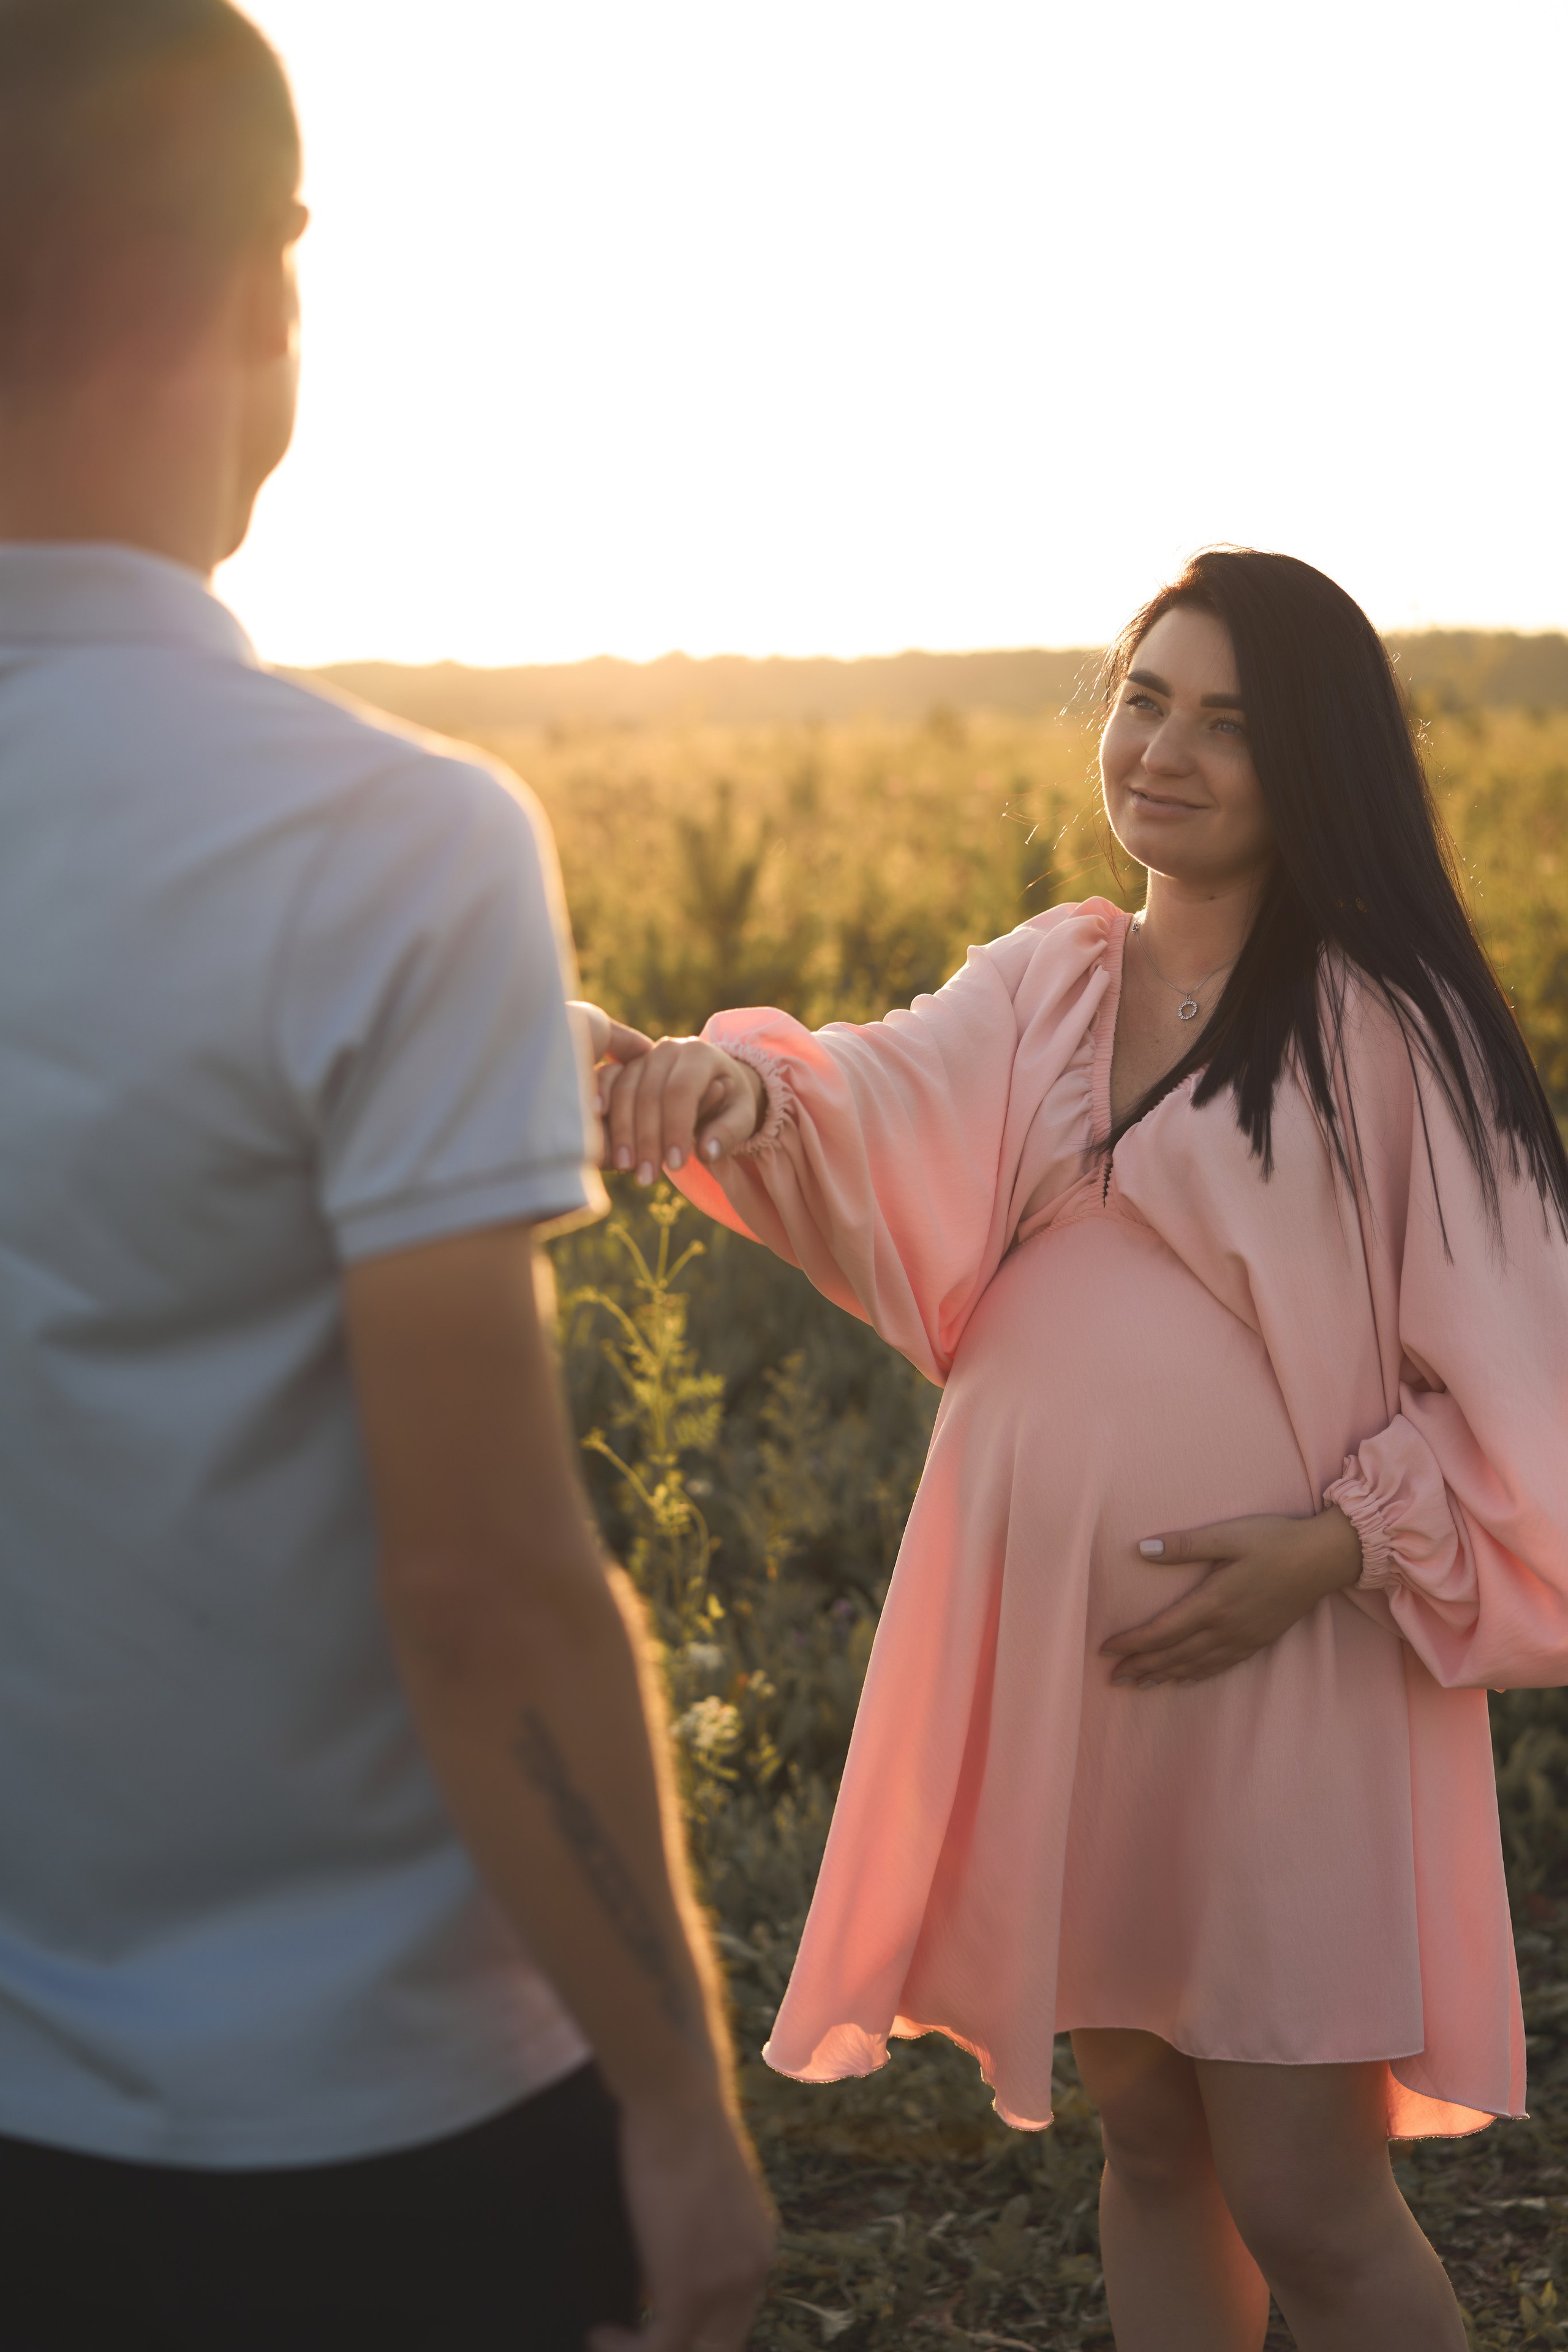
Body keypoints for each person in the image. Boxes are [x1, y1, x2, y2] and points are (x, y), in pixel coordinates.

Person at [0, 4, 771, 2347]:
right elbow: (483, 1590)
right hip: (374, 2141)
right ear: (268, 290)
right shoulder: (389, 852)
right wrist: (674, 2105)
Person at [594, 546, 1568, 2351]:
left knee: (1306, 2190)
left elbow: (1529, 1376)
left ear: (1319, 764)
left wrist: (1337, 1550)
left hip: (1287, 1649)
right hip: (1072, 1660)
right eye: (1144, 698)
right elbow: (872, 1097)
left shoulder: (1388, 1022)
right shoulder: (1052, 977)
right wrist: (729, 1083)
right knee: (1148, 2145)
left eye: (1231, 722)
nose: (1166, 750)